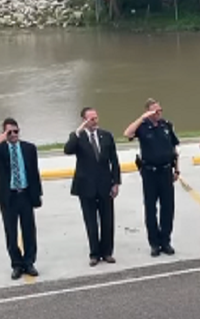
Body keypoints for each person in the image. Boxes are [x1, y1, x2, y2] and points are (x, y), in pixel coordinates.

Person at [0, 117, 42, 279]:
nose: (13, 135)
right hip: (8, 198)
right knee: (11, 233)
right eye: (9, 132)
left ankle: (29, 263)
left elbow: (35, 174)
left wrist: (37, 196)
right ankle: (17, 265)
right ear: (4, 133)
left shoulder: (29, 148)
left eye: (16, 131)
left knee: (29, 231)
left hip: (25, 195)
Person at [64, 107, 121, 266]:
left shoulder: (106, 136)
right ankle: (94, 253)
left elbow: (114, 161)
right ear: (84, 120)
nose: (95, 121)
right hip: (86, 186)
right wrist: (80, 130)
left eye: (96, 117)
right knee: (91, 221)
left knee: (107, 220)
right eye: (91, 119)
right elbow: (67, 150)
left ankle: (107, 252)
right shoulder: (77, 137)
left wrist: (116, 182)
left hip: (105, 184)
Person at [124, 98, 180, 257]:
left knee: (167, 208)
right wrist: (142, 117)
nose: (159, 112)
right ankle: (154, 243)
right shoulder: (142, 127)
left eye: (160, 110)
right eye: (155, 110)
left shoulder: (166, 125)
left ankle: (166, 241)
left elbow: (174, 149)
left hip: (166, 172)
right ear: (148, 112)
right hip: (150, 173)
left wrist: (177, 170)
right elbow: (127, 133)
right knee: (150, 208)